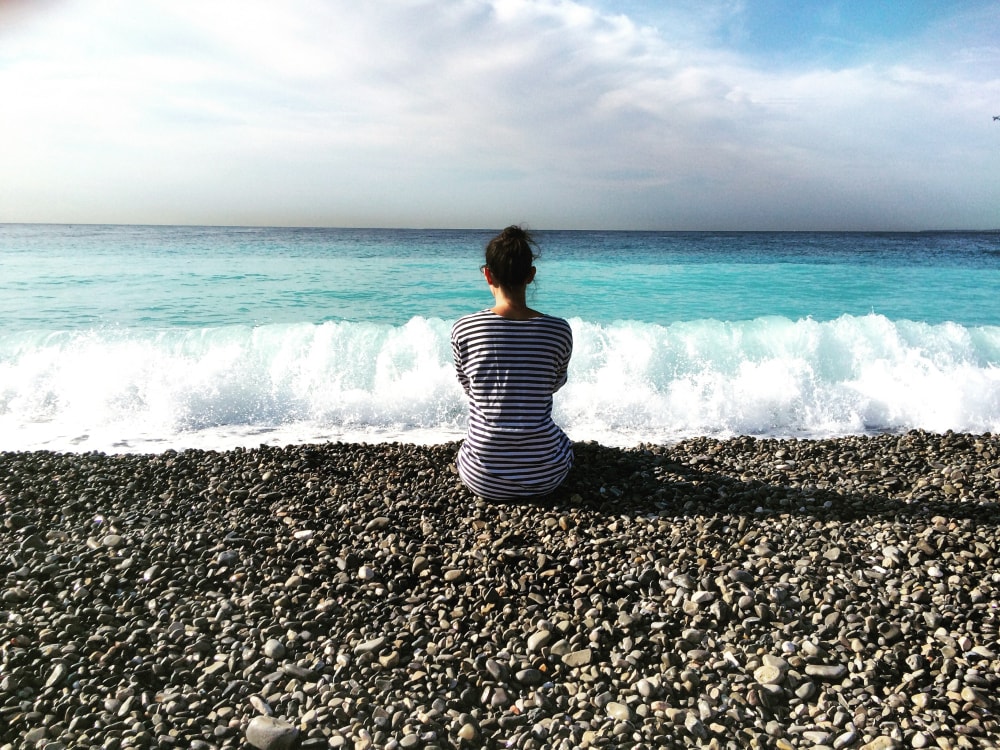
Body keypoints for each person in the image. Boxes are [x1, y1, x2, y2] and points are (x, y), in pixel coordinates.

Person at [451, 225, 574, 500]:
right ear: (531, 275)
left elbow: (468, 385)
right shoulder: (558, 330)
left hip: (482, 478)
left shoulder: (464, 328)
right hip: (545, 476)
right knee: (563, 442)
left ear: (487, 274)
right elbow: (555, 383)